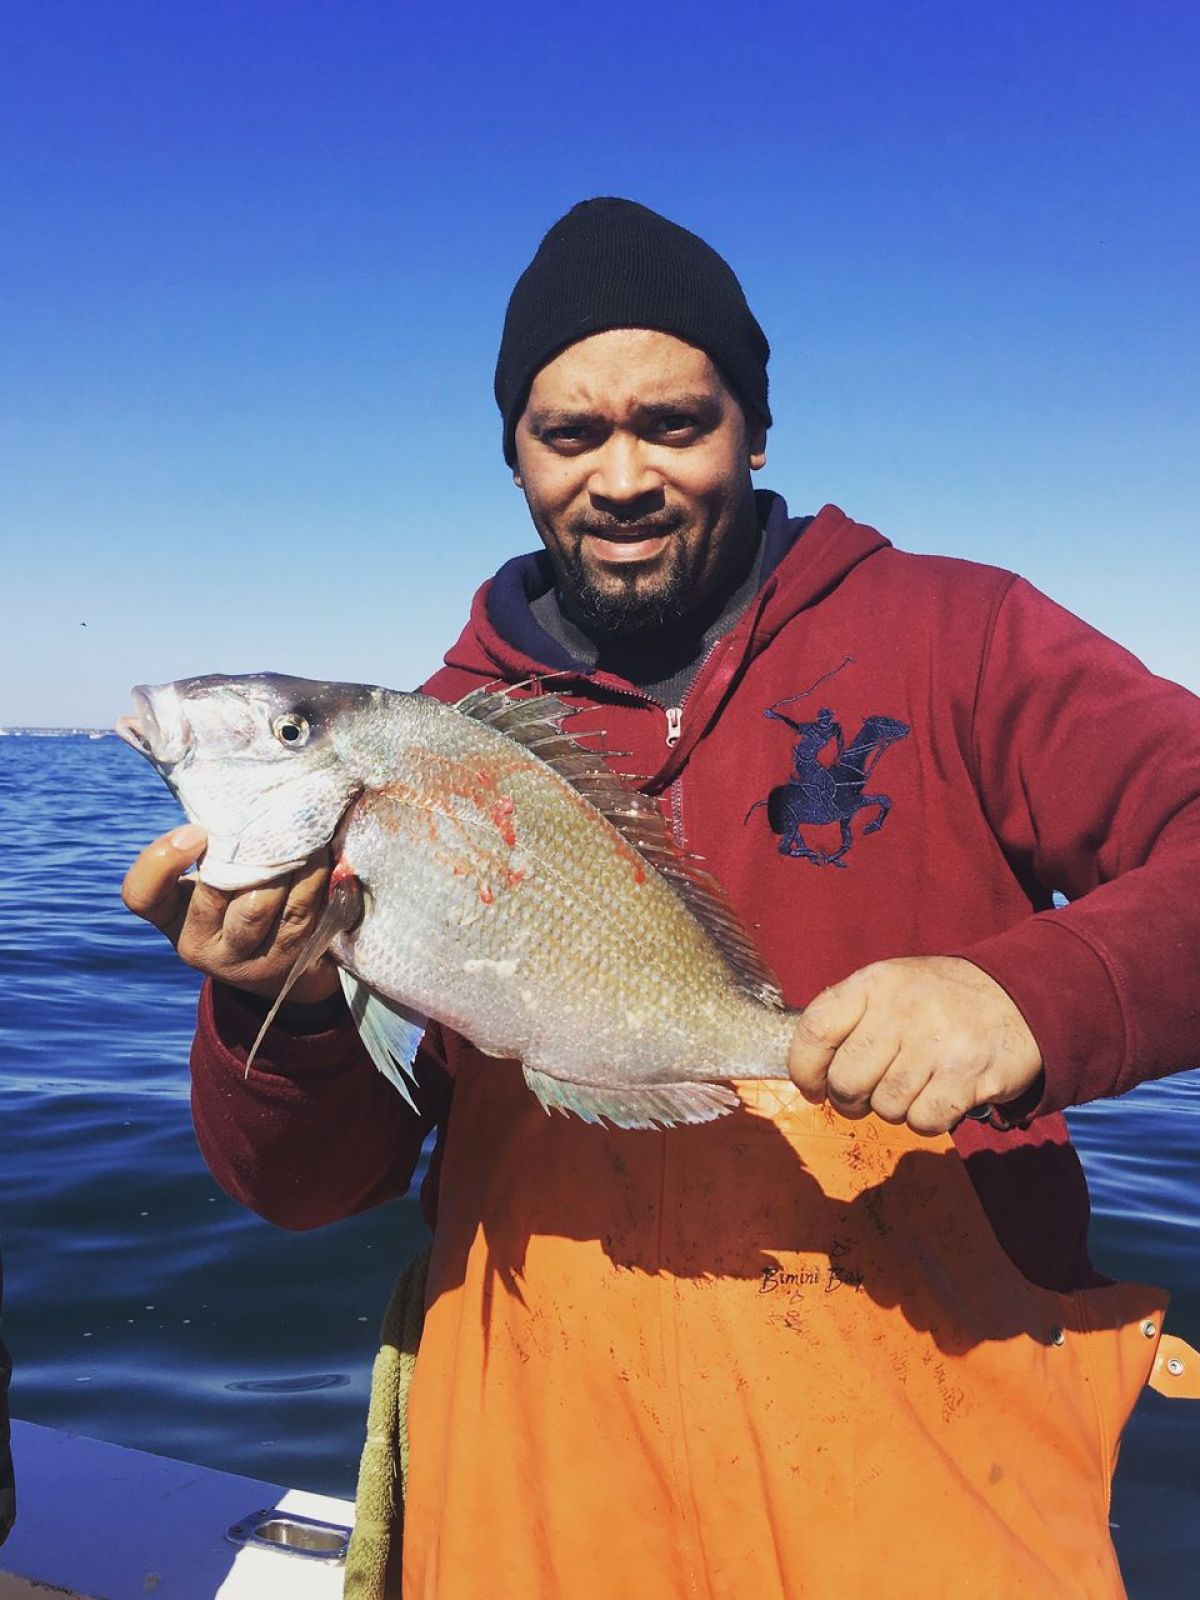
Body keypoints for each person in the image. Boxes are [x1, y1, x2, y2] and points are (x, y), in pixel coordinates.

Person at [122, 199, 1200, 1599]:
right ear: (514, 455)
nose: (621, 475)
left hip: (927, 1465)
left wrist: (1027, 995)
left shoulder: (963, 637)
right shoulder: (443, 734)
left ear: (754, 431)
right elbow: (308, 1192)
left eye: (674, 424)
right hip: (540, 1482)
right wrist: (292, 1010)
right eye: (569, 435)